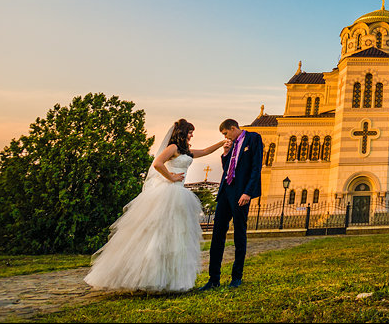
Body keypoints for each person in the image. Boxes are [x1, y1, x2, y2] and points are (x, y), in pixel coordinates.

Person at [84, 119, 226, 292]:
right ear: (182, 133)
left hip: (180, 196)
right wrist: (171, 177)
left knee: (176, 238)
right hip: (168, 193)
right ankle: (145, 276)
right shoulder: (172, 148)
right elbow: (157, 163)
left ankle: (170, 280)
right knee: (158, 235)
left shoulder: (186, 151)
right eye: (190, 132)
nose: (192, 135)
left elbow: (204, 151)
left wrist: (221, 143)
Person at [200, 118, 263, 290]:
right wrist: (226, 154)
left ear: (233, 128)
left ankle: (236, 277)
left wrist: (248, 192)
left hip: (241, 192)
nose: (226, 137)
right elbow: (228, 168)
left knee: (239, 234)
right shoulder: (232, 145)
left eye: (226, 133)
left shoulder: (253, 139)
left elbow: (256, 167)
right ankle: (213, 279)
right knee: (217, 234)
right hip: (226, 191)